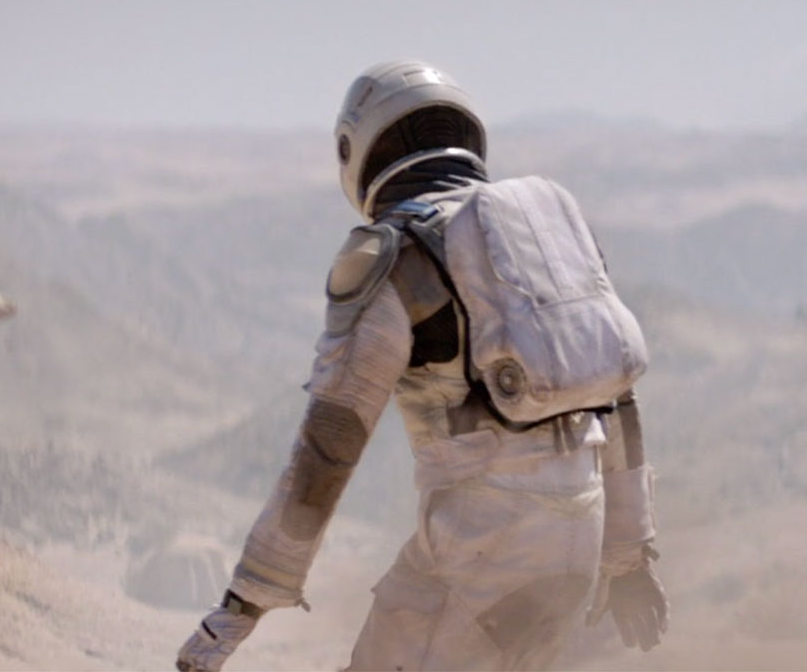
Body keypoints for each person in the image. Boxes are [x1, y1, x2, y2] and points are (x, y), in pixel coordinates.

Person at [177, 60, 667, 672]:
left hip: (479, 552)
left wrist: (245, 601)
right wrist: (628, 554)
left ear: (359, 149)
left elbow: (330, 445)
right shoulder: (539, 245)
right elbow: (616, 399)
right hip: (578, 544)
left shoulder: (398, 257)